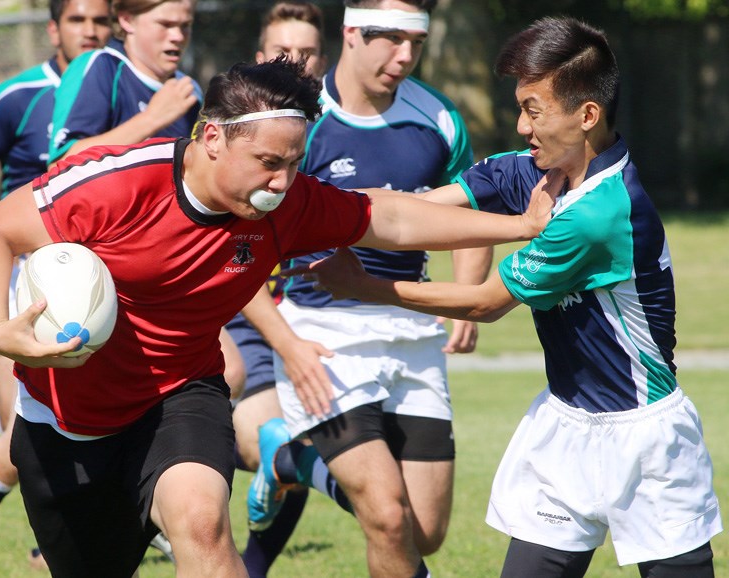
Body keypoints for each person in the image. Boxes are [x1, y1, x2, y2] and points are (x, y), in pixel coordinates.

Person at [0, 56, 555, 578]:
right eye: (268, 162)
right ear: (212, 137)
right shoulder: (120, 184)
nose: (281, 183)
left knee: (202, 526)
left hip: (178, 396)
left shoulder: (286, 205)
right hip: (67, 417)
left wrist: (519, 227)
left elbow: (393, 218)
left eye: (294, 164)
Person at [289, 16, 723, 578]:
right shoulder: (541, 172)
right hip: (567, 424)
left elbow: (484, 304)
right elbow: (410, 209)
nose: (520, 126)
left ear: (587, 115)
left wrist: (364, 286)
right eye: (519, 107)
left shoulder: (599, 212)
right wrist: (314, 212)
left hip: (646, 439)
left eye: (533, 109)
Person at [245, 1, 490, 577]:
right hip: (324, 335)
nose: (404, 56)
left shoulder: (438, 117)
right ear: (352, 32)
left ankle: (286, 460)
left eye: (417, 43)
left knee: (423, 533)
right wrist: (288, 346)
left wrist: (468, 296)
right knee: (385, 515)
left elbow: (471, 211)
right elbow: (238, 248)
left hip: (410, 333)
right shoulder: (297, 119)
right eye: (390, 39)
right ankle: (294, 456)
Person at [0, 2, 113, 576]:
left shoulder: (126, 92)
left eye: (100, 20)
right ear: (54, 28)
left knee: (99, 417)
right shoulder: (21, 94)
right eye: (78, 20)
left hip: (103, 280)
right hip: (30, 277)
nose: (90, 31)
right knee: (23, 439)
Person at [225, 3, 328, 577]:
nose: (295, 63)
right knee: (235, 433)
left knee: (284, 443)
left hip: (311, 317)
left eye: (306, 53)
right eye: (281, 53)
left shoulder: (332, 128)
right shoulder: (232, 130)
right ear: (258, 58)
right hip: (240, 315)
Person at [48, 0, 202, 164]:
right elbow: (62, 165)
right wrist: (151, 119)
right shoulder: (100, 66)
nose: (177, 36)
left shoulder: (189, 90)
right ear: (127, 21)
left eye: (185, 25)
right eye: (165, 24)